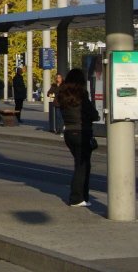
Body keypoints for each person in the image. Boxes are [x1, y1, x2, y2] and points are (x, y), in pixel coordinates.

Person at [55, 67, 99, 207]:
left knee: (81, 164)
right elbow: (92, 113)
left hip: (69, 132)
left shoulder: (62, 93)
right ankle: (77, 198)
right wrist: (95, 116)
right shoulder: (82, 94)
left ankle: (82, 197)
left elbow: (57, 106)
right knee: (82, 166)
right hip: (82, 132)